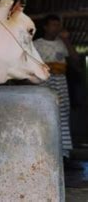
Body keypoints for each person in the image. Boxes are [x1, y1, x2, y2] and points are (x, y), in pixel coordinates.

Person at [34, 14, 79, 159]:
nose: (56, 28)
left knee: (63, 114)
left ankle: (64, 155)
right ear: (45, 27)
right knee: (44, 113)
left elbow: (75, 59)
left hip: (61, 82)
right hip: (44, 82)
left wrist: (66, 40)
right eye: (53, 25)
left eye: (58, 25)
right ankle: (45, 151)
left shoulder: (62, 43)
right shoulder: (36, 44)